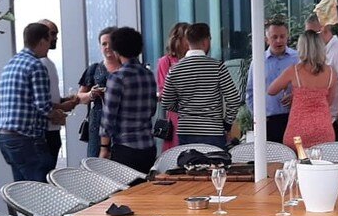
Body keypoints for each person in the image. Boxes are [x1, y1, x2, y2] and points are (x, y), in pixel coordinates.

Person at [0, 23, 74, 182]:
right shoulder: (36, 66)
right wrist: (59, 114)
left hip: (6, 137)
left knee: (22, 190)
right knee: (41, 190)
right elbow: (43, 106)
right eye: (49, 39)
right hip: (26, 138)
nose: (50, 44)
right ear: (42, 41)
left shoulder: (11, 64)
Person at [161, 22, 241, 149]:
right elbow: (234, 99)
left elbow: (166, 102)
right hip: (213, 131)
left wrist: (184, 110)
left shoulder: (175, 69)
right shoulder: (217, 67)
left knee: (190, 167)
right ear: (206, 41)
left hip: (186, 131)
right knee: (215, 166)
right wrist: (227, 124)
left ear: (188, 42)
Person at [99, 27, 158, 173]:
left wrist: (104, 148)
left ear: (116, 50)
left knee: (124, 194)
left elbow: (108, 117)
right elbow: (152, 109)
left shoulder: (117, 78)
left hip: (125, 148)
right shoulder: (148, 75)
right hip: (148, 146)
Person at [268, 30, 336, 149]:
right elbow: (329, 101)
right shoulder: (331, 72)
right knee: (324, 165)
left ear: (301, 48)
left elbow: (271, 90)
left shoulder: (294, 71)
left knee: (295, 165)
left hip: (298, 131)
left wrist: (292, 92)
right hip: (323, 128)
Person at [245, 18, 299, 143]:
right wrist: (259, 116)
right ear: (266, 39)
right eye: (274, 37)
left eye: (282, 36)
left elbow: (307, 86)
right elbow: (250, 92)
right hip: (269, 121)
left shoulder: (298, 59)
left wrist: (295, 96)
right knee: (272, 159)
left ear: (287, 37)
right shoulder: (258, 61)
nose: (279, 40)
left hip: (294, 118)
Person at [77, 26, 122, 157]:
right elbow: (79, 97)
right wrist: (91, 94)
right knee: (96, 163)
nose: (108, 47)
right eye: (104, 44)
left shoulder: (128, 68)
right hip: (97, 122)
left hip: (123, 121)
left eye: (111, 43)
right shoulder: (94, 69)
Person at [39, 19, 75, 169]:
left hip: (52, 130)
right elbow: (38, 102)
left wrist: (65, 101)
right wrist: (63, 105)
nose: (55, 38)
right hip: (44, 132)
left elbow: (46, 96)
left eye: (56, 34)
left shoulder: (48, 63)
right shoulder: (39, 64)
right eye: (52, 34)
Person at [155, 22, 190, 150]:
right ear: (178, 39)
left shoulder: (195, 60)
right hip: (176, 115)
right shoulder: (166, 61)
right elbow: (164, 90)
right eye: (187, 37)